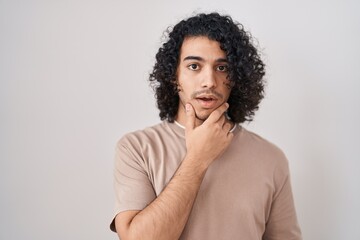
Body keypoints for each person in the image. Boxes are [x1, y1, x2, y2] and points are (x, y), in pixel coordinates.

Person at [110, 12, 302, 240]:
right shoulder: (137, 148)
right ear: (174, 76)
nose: (209, 81)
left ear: (237, 76)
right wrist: (198, 159)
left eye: (221, 68)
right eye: (194, 66)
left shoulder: (271, 158)